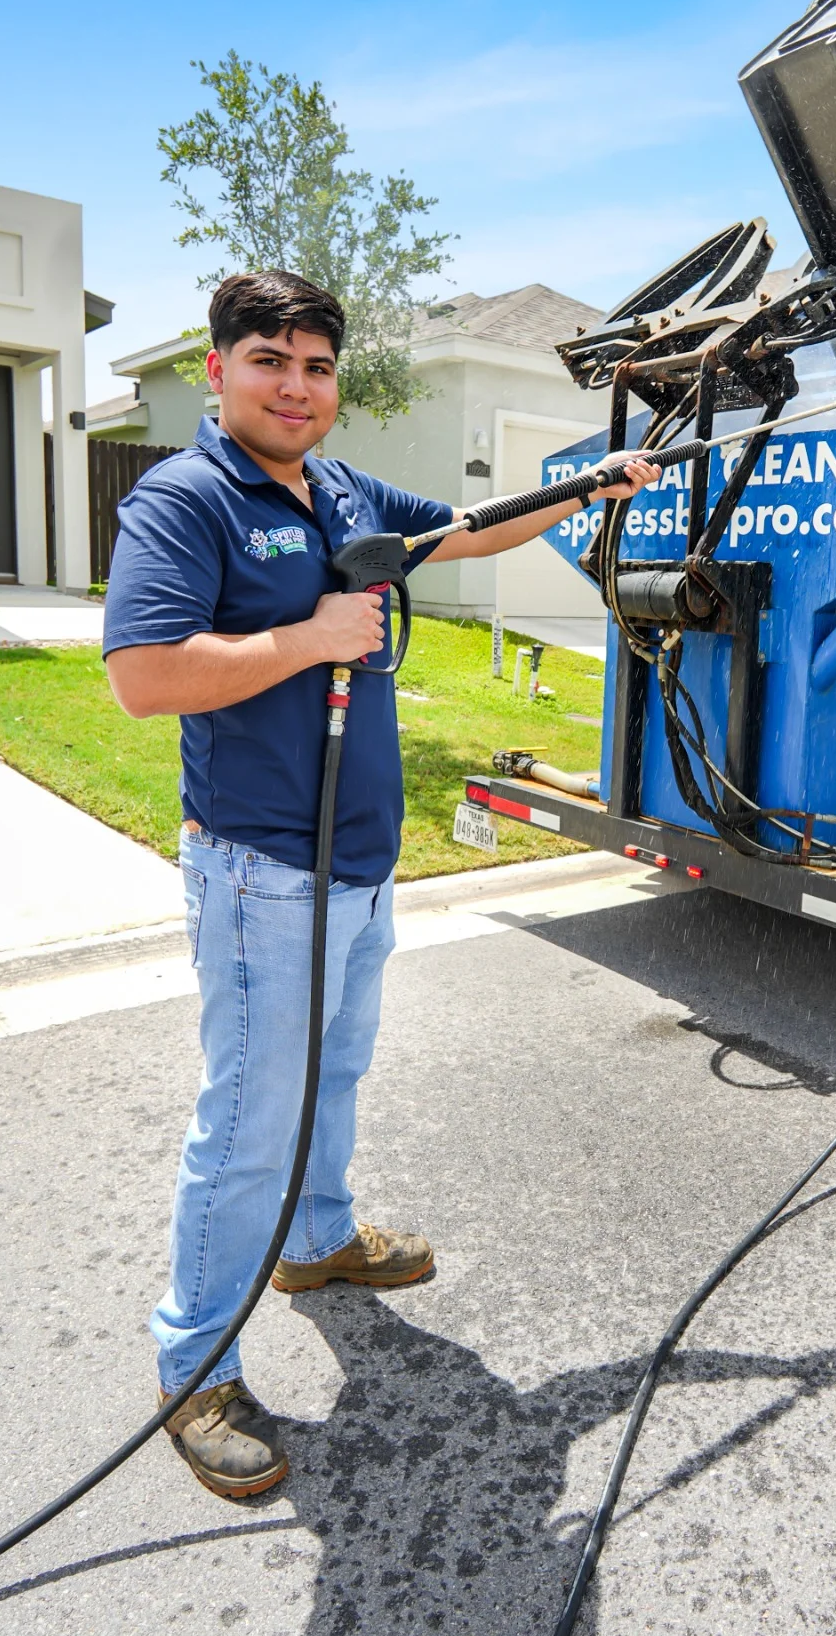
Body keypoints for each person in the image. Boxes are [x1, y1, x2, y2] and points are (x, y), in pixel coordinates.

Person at [103, 268, 658, 1500]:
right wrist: (310, 636)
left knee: (335, 1072)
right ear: (218, 370)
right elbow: (142, 674)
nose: (296, 386)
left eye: (316, 365)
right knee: (248, 1121)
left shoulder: (344, 488)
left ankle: (315, 1239)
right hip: (261, 871)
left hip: (359, 863)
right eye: (269, 361)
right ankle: (194, 1368)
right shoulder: (186, 499)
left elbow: (468, 528)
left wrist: (588, 488)